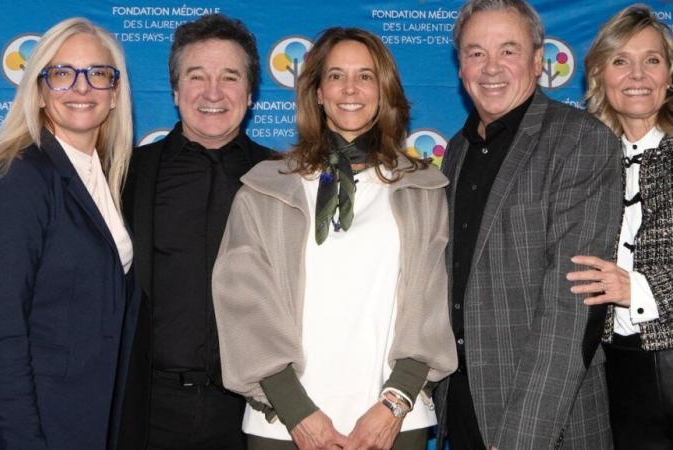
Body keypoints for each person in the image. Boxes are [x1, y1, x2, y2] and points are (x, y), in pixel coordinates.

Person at [212, 27, 457, 450]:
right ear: (318, 92)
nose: (350, 89)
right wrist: (297, 412)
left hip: (392, 423)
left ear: (384, 91)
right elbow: (243, 309)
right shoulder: (265, 189)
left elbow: (431, 304)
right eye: (336, 75)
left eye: (365, 76)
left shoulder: (423, 189)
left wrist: (394, 404)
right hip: (283, 426)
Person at [437, 0, 623, 448]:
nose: (491, 68)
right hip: (462, 407)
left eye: (509, 50)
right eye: (476, 52)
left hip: (545, 421)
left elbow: (573, 308)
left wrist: (524, 434)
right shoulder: (458, 152)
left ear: (539, 61)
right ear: (460, 65)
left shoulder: (579, 140)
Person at [0, 17, 138, 450]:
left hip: (92, 419)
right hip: (40, 428)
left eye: (98, 74)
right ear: (41, 91)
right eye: (62, 74)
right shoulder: (15, 178)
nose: (81, 88)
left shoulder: (105, 177)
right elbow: (1, 335)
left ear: (115, 92)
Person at [118, 13, 272, 450]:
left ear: (250, 92)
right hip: (149, 410)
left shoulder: (286, 178)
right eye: (197, 76)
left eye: (229, 76)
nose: (212, 93)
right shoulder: (126, 176)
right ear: (175, 89)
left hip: (257, 414)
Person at [566, 5, 673, 449]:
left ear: (670, 74)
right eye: (620, 61)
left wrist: (641, 291)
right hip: (609, 370)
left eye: (652, 60)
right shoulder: (581, 162)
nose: (638, 75)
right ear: (600, 75)